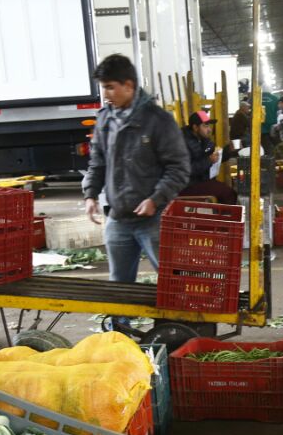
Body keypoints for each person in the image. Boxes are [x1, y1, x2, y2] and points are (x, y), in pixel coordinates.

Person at [82, 54, 190, 284]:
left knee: (172, 281)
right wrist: (90, 194)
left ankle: (179, 321)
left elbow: (179, 168)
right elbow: (97, 163)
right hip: (118, 218)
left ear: (129, 85)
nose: (105, 94)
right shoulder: (104, 120)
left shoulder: (158, 120)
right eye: (103, 88)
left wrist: (155, 199)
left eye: (110, 87)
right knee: (119, 285)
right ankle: (119, 322)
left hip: (154, 219)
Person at [178, 110, 238, 205]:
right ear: (195, 127)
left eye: (209, 125)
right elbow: (186, 170)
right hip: (187, 185)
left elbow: (215, 159)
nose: (209, 129)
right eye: (205, 126)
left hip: (202, 180)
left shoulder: (204, 139)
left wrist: (228, 151)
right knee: (228, 193)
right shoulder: (181, 142)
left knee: (227, 191)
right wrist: (209, 160)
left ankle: (219, 216)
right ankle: (224, 218)